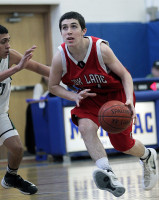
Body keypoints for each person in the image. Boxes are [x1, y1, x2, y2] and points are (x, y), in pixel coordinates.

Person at [48, 11, 158, 197]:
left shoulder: (100, 49)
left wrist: (129, 100)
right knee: (85, 127)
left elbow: (125, 75)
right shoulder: (60, 57)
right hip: (89, 96)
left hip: (116, 95)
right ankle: (106, 171)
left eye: (73, 26)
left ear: (83, 30)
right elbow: (52, 86)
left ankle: (147, 156)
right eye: (64, 28)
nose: (69, 31)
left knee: (123, 144)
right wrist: (73, 96)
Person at [0, 25, 50, 195]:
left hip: (0, 114)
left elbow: (37, 67)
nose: (8, 45)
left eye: (8, 40)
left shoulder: (10, 55)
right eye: (3, 42)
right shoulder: (13, 63)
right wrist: (16, 68)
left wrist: (68, 75)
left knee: (17, 149)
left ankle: (11, 177)